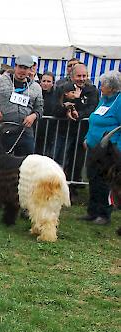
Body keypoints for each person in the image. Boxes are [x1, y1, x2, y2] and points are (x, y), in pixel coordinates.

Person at [0, 54, 43, 157]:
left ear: (30, 69)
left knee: (25, 163)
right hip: (3, 129)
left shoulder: (36, 87)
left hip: (25, 132)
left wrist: (33, 116)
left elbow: (39, 108)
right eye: (20, 67)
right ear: (15, 66)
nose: (22, 71)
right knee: (1, 164)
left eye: (25, 68)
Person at [81, 70, 121, 225]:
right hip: (94, 148)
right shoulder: (103, 99)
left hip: (110, 150)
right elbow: (94, 120)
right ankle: (92, 211)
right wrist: (87, 138)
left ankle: (104, 214)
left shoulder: (118, 101)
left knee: (104, 181)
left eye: (103, 84)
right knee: (92, 178)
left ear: (111, 87)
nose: (100, 86)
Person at [53, 63, 98, 184]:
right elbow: (56, 109)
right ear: (72, 76)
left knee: (77, 161)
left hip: (81, 132)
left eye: (84, 75)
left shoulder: (92, 90)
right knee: (59, 159)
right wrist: (66, 109)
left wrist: (79, 114)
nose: (82, 78)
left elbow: (92, 108)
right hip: (64, 131)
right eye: (79, 76)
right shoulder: (62, 88)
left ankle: (73, 187)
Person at [36, 71, 59, 156]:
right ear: (40, 82)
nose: (46, 83)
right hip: (36, 128)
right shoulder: (36, 93)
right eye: (44, 81)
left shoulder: (56, 95)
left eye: (48, 81)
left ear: (53, 83)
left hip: (50, 130)